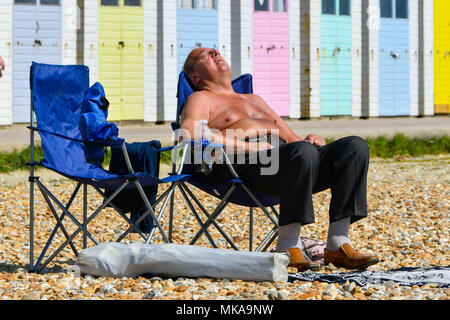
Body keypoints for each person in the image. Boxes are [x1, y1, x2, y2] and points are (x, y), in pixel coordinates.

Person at [179, 47, 380, 271]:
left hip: (286, 161)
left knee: (354, 147)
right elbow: (190, 135)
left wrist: (310, 140)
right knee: (301, 153)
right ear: (195, 77)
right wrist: (248, 147)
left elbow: (291, 138)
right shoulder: (200, 98)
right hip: (241, 164)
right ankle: (287, 246)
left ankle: (337, 244)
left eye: (215, 51)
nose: (214, 52)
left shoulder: (254, 99)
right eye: (204, 55)